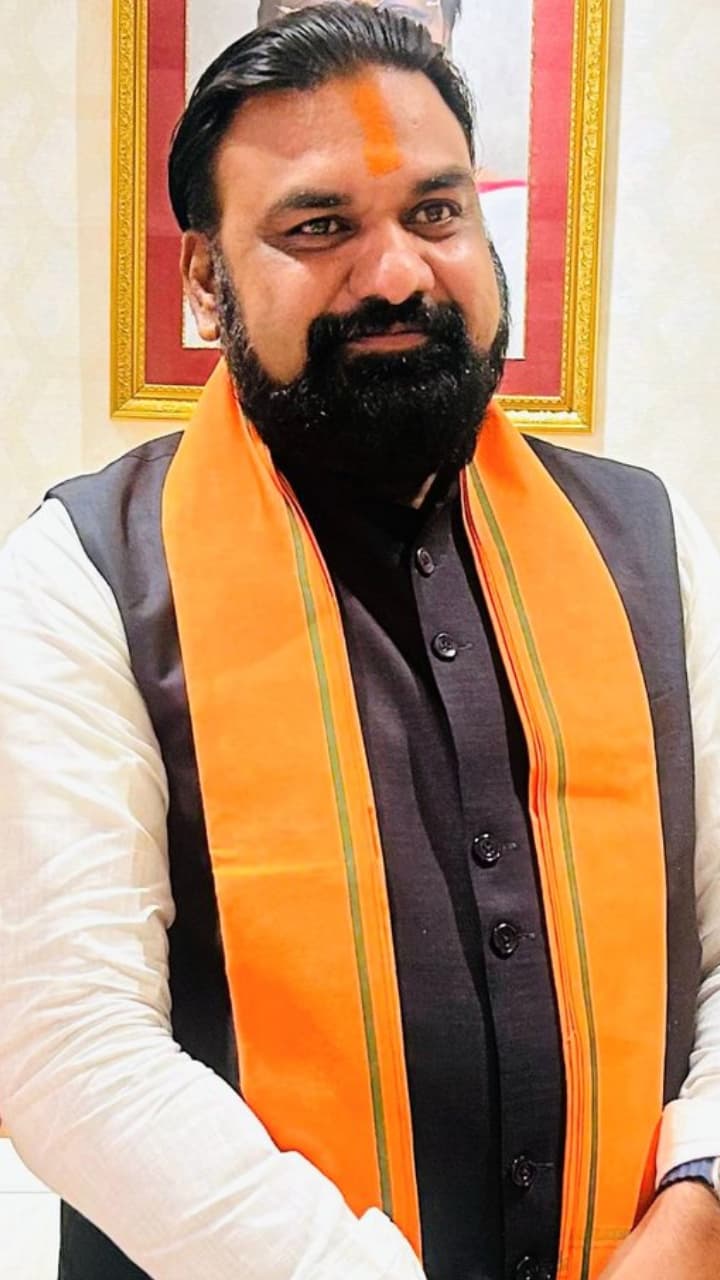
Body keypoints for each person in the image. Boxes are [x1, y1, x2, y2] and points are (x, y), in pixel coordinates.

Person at [1, 6, 720, 1280]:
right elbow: (68, 1041)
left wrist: (700, 1202)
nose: (396, 274)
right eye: (318, 227)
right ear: (205, 279)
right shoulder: (83, 576)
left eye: (436, 212)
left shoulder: (654, 544)